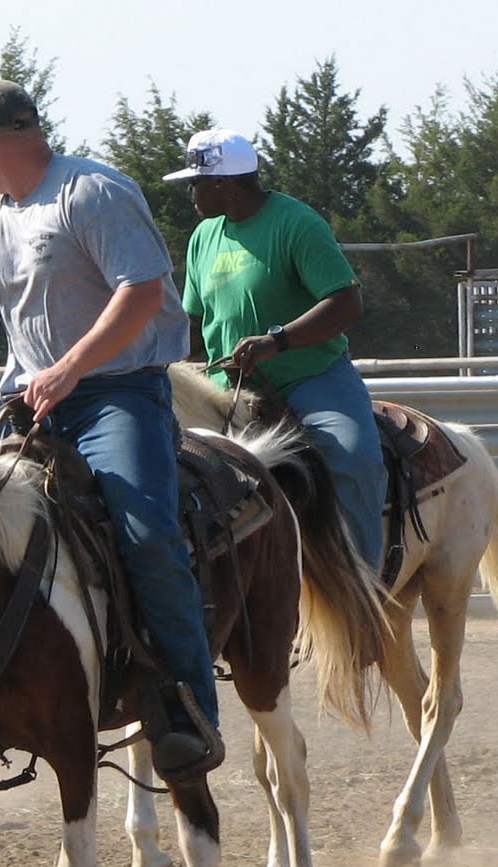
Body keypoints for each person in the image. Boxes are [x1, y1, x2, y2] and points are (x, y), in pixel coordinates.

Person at [0, 79, 223, 786]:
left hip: (117, 397)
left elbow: (141, 292)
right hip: (28, 400)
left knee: (147, 534)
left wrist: (68, 368)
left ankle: (185, 711)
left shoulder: (91, 191)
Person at [165, 128, 385, 570]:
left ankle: (362, 581)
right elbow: (191, 323)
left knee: (352, 454)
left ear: (224, 183)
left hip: (311, 380)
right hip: (223, 390)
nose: (191, 192)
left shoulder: (297, 223)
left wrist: (277, 341)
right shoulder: (204, 237)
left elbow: (345, 302)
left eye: (196, 182)